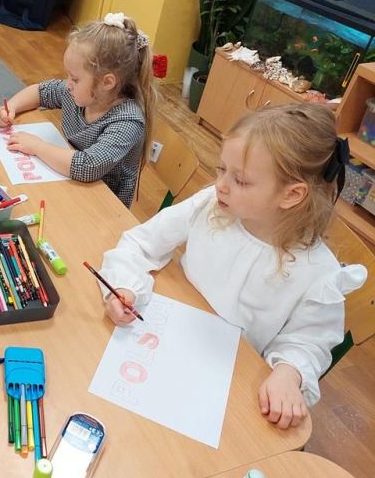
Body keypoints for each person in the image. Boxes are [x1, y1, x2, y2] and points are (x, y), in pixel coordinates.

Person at [99, 104, 367, 428]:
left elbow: (308, 343)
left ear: (292, 194)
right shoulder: (211, 204)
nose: (221, 185)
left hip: (225, 385)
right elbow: (142, 242)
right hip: (162, 343)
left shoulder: (318, 273)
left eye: (239, 180)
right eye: (220, 169)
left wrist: (289, 373)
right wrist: (124, 286)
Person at [0, 12, 154, 208]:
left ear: (107, 82)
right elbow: (41, 92)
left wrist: (37, 147)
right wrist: (12, 106)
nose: (68, 84)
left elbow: (88, 167)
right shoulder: (80, 93)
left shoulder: (128, 122)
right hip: (67, 180)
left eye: (75, 79)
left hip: (101, 206)